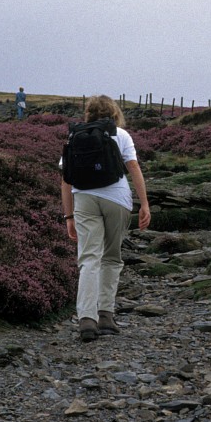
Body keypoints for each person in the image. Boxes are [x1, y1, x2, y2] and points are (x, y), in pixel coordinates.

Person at [60, 95, 151, 342]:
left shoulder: (74, 136)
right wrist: (144, 204)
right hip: (117, 200)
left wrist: (68, 215)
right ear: (114, 113)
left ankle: (86, 320)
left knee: (89, 258)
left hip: (84, 200)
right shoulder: (121, 135)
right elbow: (134, 168)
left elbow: (66, 180)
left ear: (88, 113)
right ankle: (106, 317)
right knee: (111, 257)